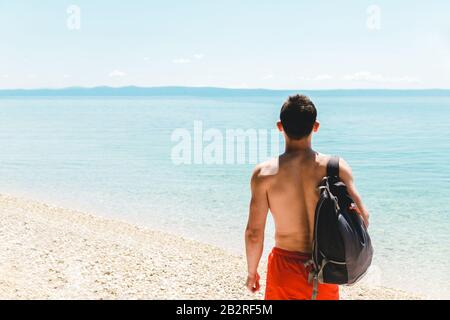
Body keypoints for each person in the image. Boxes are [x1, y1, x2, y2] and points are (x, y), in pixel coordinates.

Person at [244, 94, 370, 300]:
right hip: (325, 269)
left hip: (283, 269)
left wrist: (252, 272)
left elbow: (254, 233)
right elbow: (362, 218)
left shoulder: (264, 174)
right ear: (316, 126)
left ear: (280, 126)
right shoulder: (336, 168)